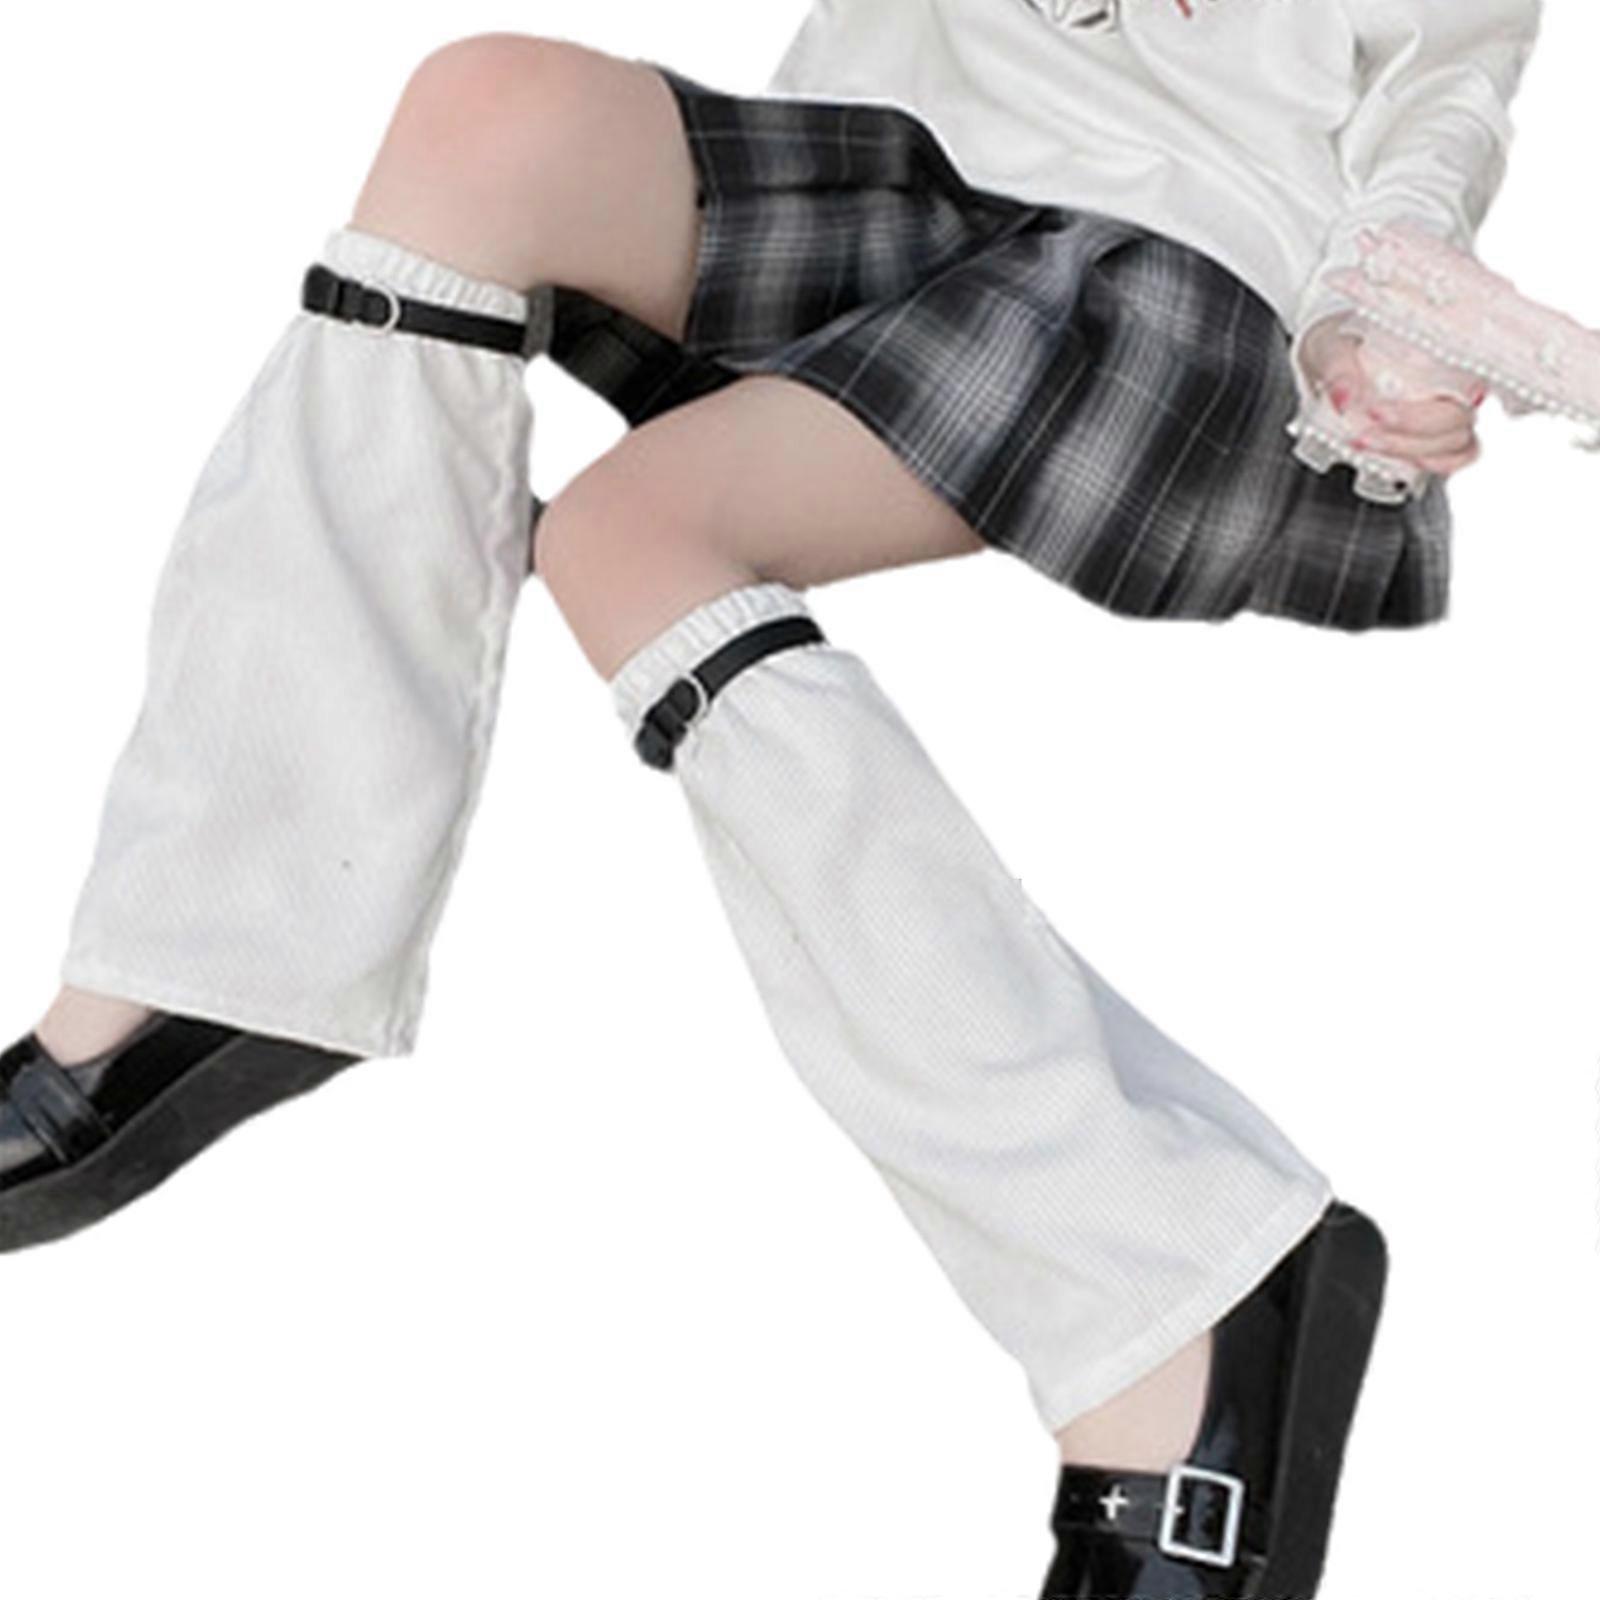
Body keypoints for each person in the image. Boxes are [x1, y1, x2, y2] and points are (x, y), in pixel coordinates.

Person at [0, 2, 1544, 1595]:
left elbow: (1439, 116)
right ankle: (224, 945)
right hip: (896, 193)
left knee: (627, 540)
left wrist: (1385, 320)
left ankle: (1169, 1293)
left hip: (1173, 283)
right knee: (485, 114)